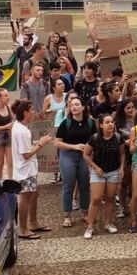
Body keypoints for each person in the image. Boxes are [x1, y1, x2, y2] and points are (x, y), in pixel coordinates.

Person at [11, 99, 53, 240]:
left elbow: (26, 146)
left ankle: (33, 223)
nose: (34, 112)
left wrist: (37, 141)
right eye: (32, 110)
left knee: (34, 194)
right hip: (25, 170)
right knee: (25, 197)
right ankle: (23, 229)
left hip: (27, 169)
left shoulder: (18, 126)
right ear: (25, 112)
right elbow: (26, 154)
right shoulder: (22, 131)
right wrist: (41, 143)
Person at [82, 114, 125, 239]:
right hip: (98, 172)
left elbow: (122, 154)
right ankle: (90, 226)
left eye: (112, 122)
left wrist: (121, 168)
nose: (111, 124)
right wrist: (95, 167)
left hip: (113, 171)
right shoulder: (94, 138)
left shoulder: (118, 138)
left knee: (110, 197)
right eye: (107, 122)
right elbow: (86, 154)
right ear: (101, 125)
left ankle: (108, 222)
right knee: (96, 198)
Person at [55, 97, 93, 228]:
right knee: (68, 185)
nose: (74, 107)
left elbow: (95, 138)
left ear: (83, 107)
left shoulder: (90, 122)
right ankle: (67, 215)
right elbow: (57, 142)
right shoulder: (66, 123)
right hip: (68, 156)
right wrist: (74, 146)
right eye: (72, 105)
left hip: (85, 157)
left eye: (77, 104)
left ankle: (85, 212)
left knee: (84, 185)